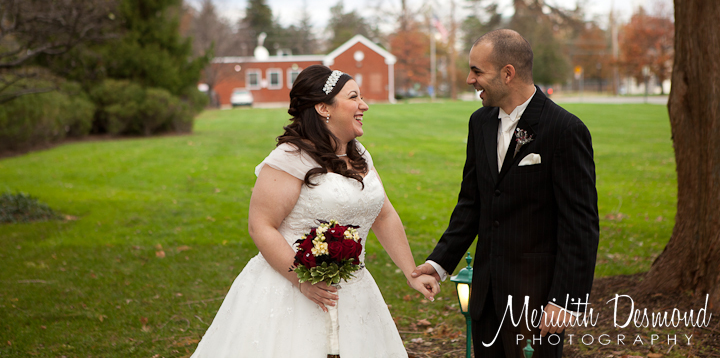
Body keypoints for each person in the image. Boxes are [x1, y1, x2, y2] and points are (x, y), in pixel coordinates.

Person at [190, 64, 439, 358]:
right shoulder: (289, 158)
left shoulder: (359, 154)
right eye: (354, 97)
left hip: (355, 290)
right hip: (291, 291)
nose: (364, 105)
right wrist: (302, 281)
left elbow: (383, 216)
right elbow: (261, 226)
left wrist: (411, 272)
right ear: (323, 108)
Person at [412, 29, 599, 358]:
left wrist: (565, 300)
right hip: (486, 298)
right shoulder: (480, 122)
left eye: (477, 71)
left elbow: (580, 224)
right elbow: (471, 204)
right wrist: (438, 263)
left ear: (508, 73)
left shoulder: (565, 129)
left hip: (537, 302)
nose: (470, 79)